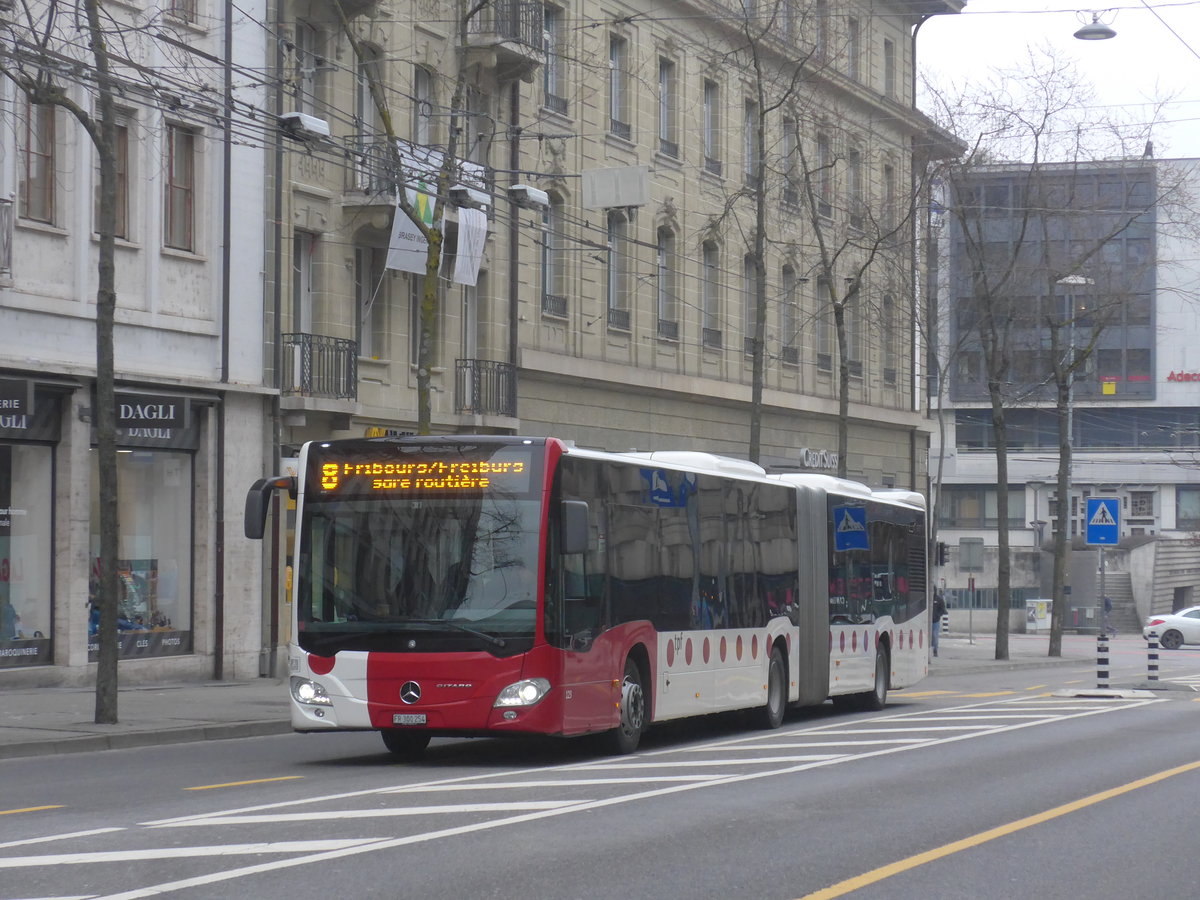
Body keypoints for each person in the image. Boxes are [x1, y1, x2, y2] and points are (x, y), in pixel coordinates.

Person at [932, 590, 948, 657]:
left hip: (936, 621)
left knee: (935, 636)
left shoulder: (939, 599)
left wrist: (938, 615)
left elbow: (943, 609)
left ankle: (935, 650)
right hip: (926, 621)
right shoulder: (926, 598)